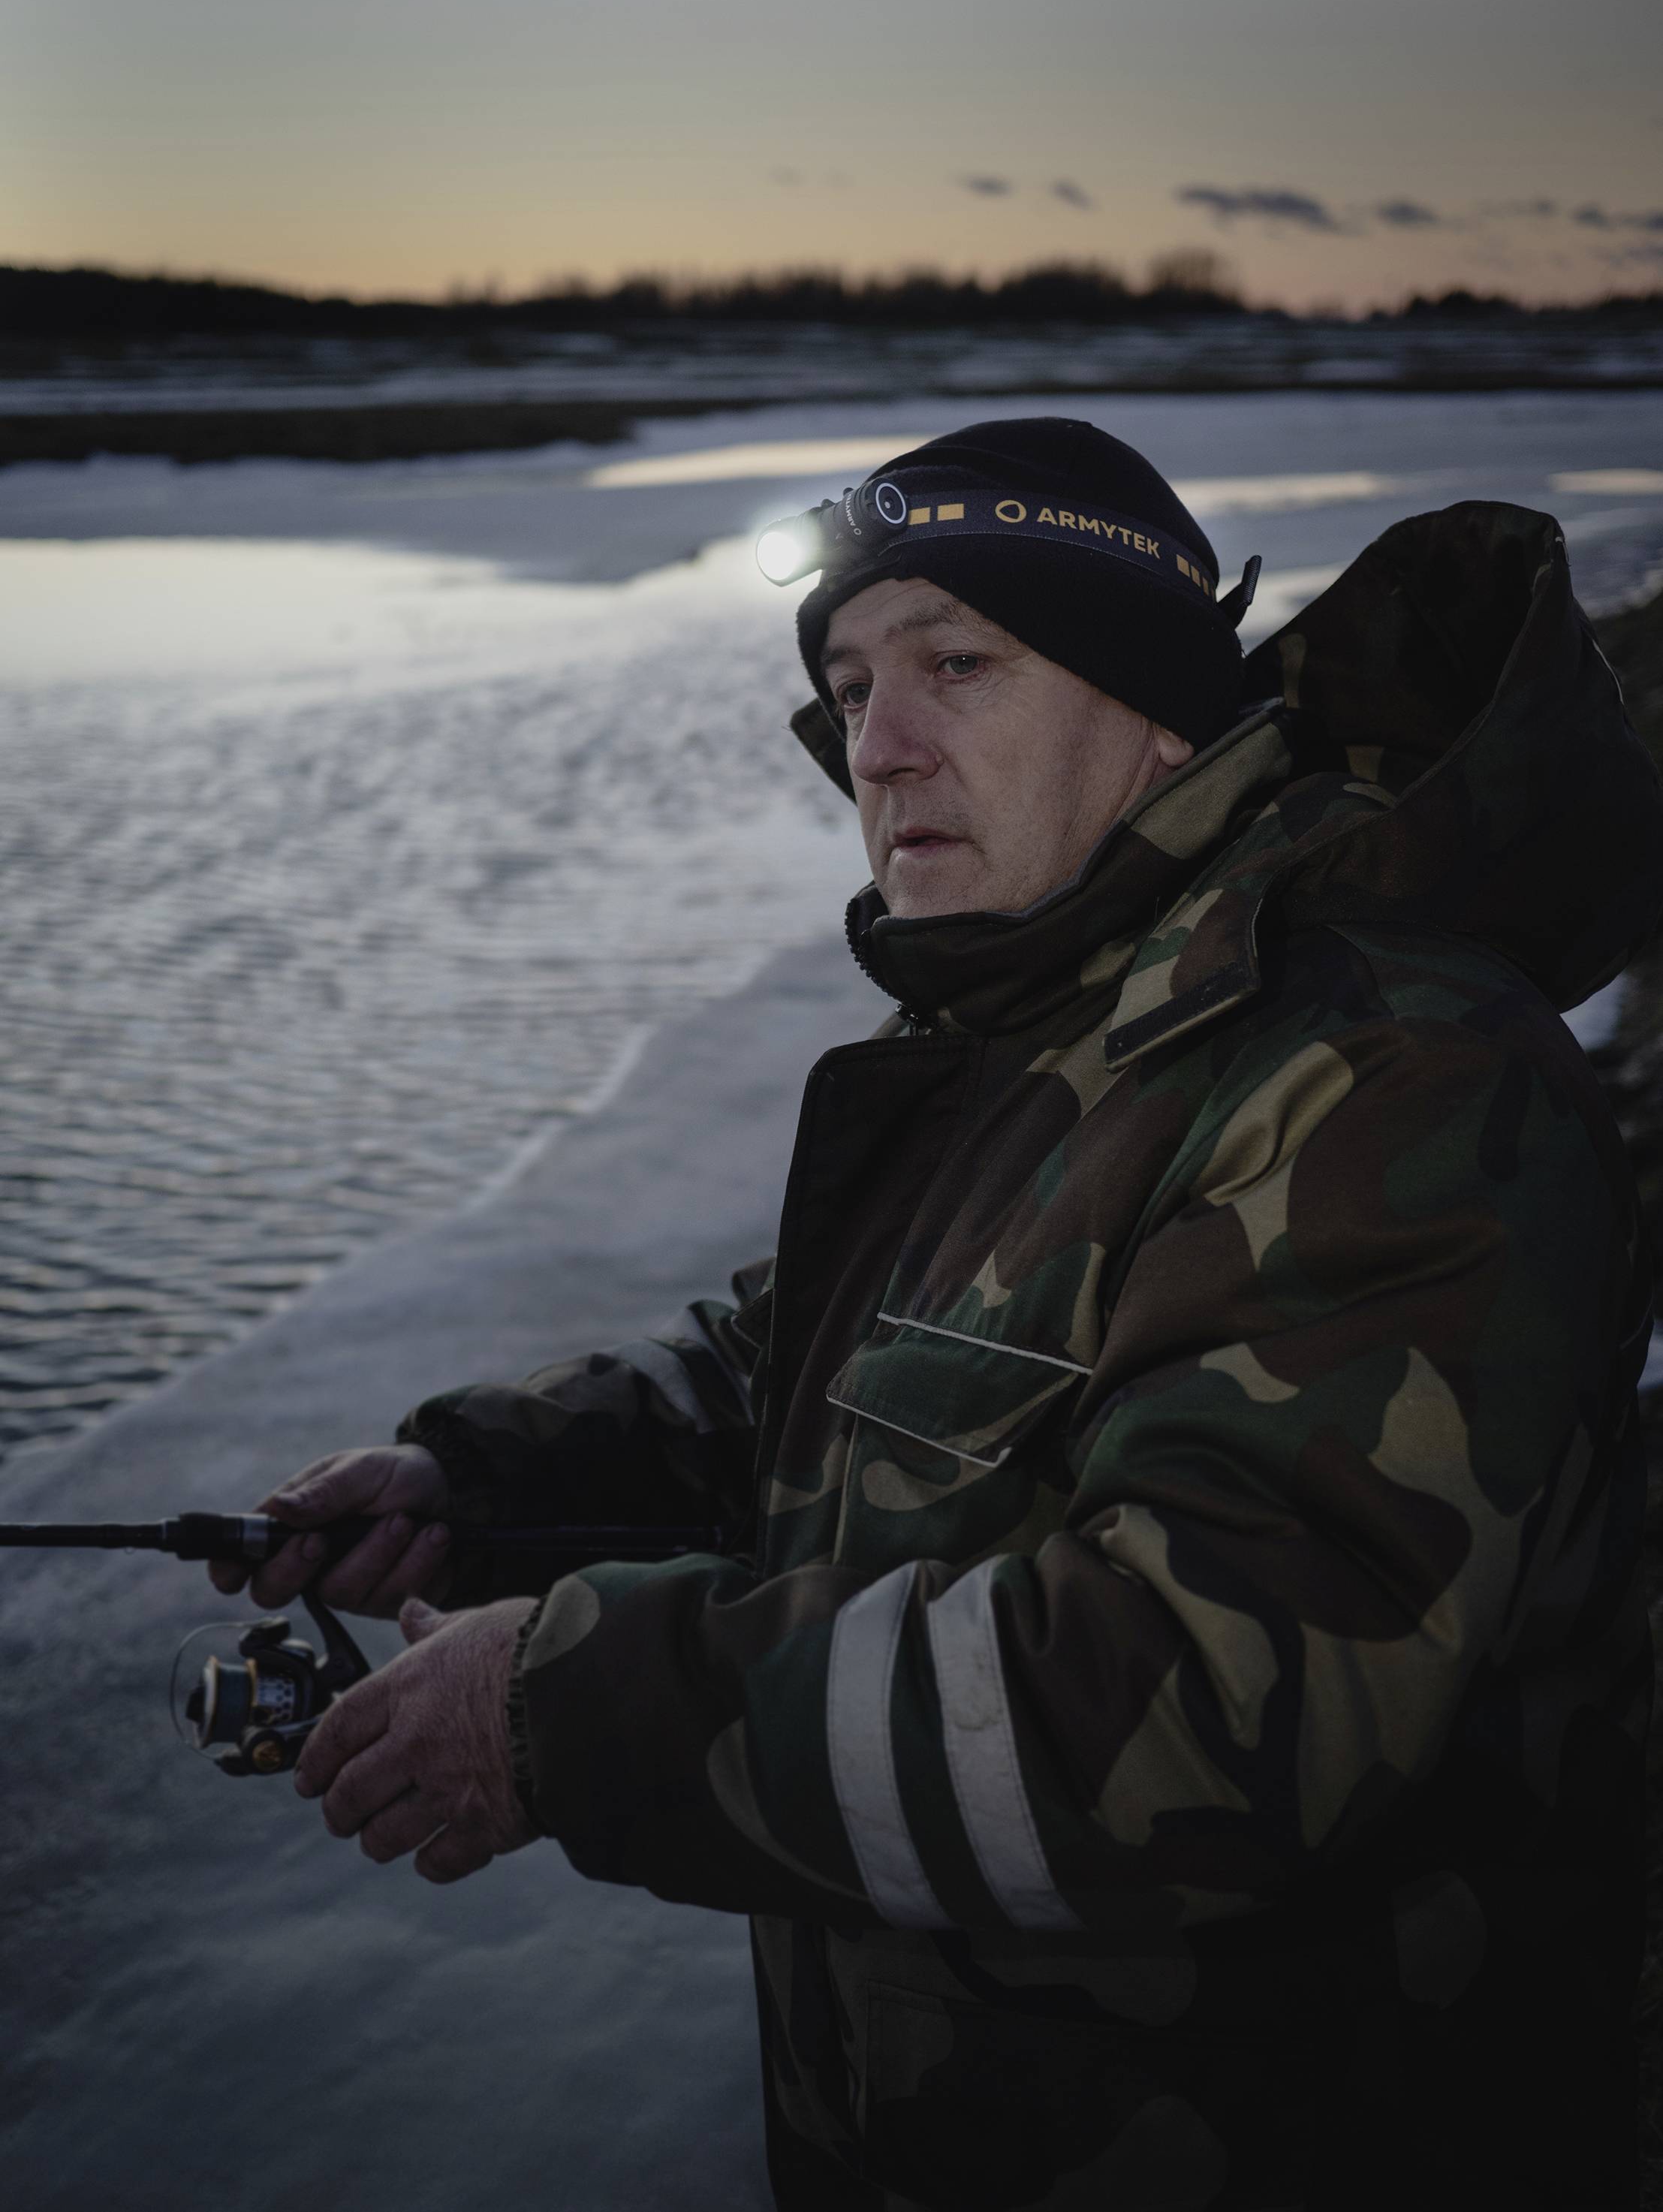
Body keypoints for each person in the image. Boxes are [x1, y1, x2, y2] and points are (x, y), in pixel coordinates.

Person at [210, 418, 1663, 2210]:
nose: (877, 748)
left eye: (954, 667)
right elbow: (820, 1378)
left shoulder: (1387, 1076)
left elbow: (1205, 1710)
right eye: (847, 689)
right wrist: (490, 1482)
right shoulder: (1042, 1023)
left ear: (1157, 708)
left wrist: (572, 1709)